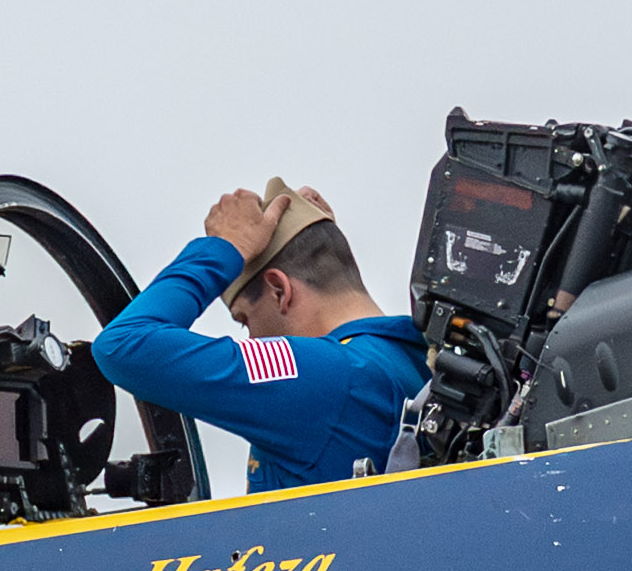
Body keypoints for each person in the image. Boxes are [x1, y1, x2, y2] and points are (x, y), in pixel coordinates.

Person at [95, 183, 430, 491]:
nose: (252, 337)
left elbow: (124, 345)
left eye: (244, 320)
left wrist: (223, 249)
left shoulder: (325, 373)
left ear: (278, 289)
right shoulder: (419, 361)